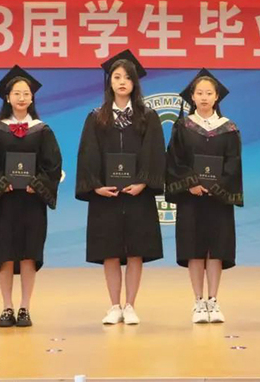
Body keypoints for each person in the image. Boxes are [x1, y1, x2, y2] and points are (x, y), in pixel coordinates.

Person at [76, 50, 165, 325]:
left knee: (136, 250)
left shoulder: (147, 117)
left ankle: (130, 305)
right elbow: (88, 154)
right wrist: (95, 187)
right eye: (117, 77)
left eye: (127, 77)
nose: (122, 82)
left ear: (135, 82)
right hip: (107, 196)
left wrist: (143, 182)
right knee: (110, 251)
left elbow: (154, 152)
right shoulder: (97, 117)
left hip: (138, 195)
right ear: (109, 82)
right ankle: (114, 305)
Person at [0, 66, 62, 328]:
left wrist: (37, 184)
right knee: (5, 254)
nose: (22, 98)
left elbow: (53, 166)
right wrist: (1, 184)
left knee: (29, 253)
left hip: (32, 202)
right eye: (17, 93)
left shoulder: (42, 130)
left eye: (26, 93)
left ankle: (25, 307)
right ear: (8, 97)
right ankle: (7, 307)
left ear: (32, 97)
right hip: (4, 203)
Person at [166, 69, 243, 324]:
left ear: (217, 96)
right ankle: (198, 301)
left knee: (216, 249)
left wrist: (217, 186)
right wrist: (191, 183)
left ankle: (213, 300)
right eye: (199, 93)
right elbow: (175, 160)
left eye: (209, 93)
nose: (204, 97)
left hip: (218, 199)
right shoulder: (182, 126)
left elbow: (233, 162)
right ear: (192, 96)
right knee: (195, 249)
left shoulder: (228, 128)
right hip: (192, 198)